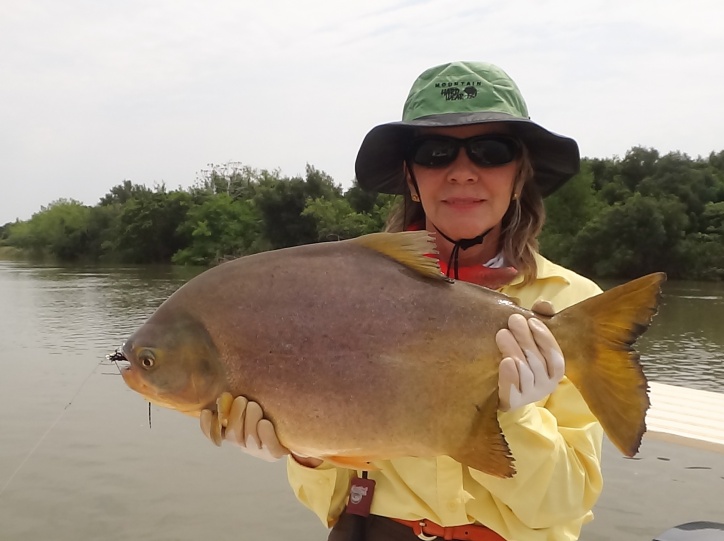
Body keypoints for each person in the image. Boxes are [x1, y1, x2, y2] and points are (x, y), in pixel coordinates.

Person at [202, 61, 605, 541]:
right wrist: (303, 449)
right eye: (435, 153)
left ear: (520, 175)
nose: (462, 173)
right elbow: (331, 502)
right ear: (412, 178)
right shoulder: (344, 292)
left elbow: (564, 506)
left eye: (490, 151)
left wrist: (520, 419)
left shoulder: (575, 307)